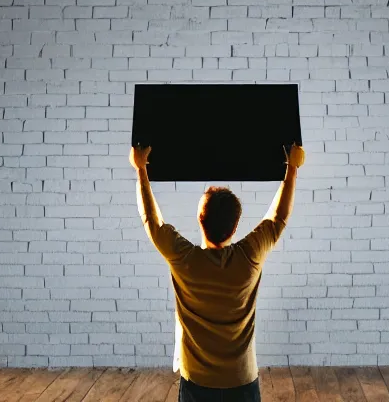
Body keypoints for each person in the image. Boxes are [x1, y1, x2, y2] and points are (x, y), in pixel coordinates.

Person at [129, 143, 305, 402]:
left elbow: (151, 221)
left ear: (200, 219)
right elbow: (278, 218)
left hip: (197, 383)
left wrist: (141, 170)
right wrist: (292, 169)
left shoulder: (185, 259)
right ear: (235, 228)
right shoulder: (249, 257)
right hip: (242, 380)